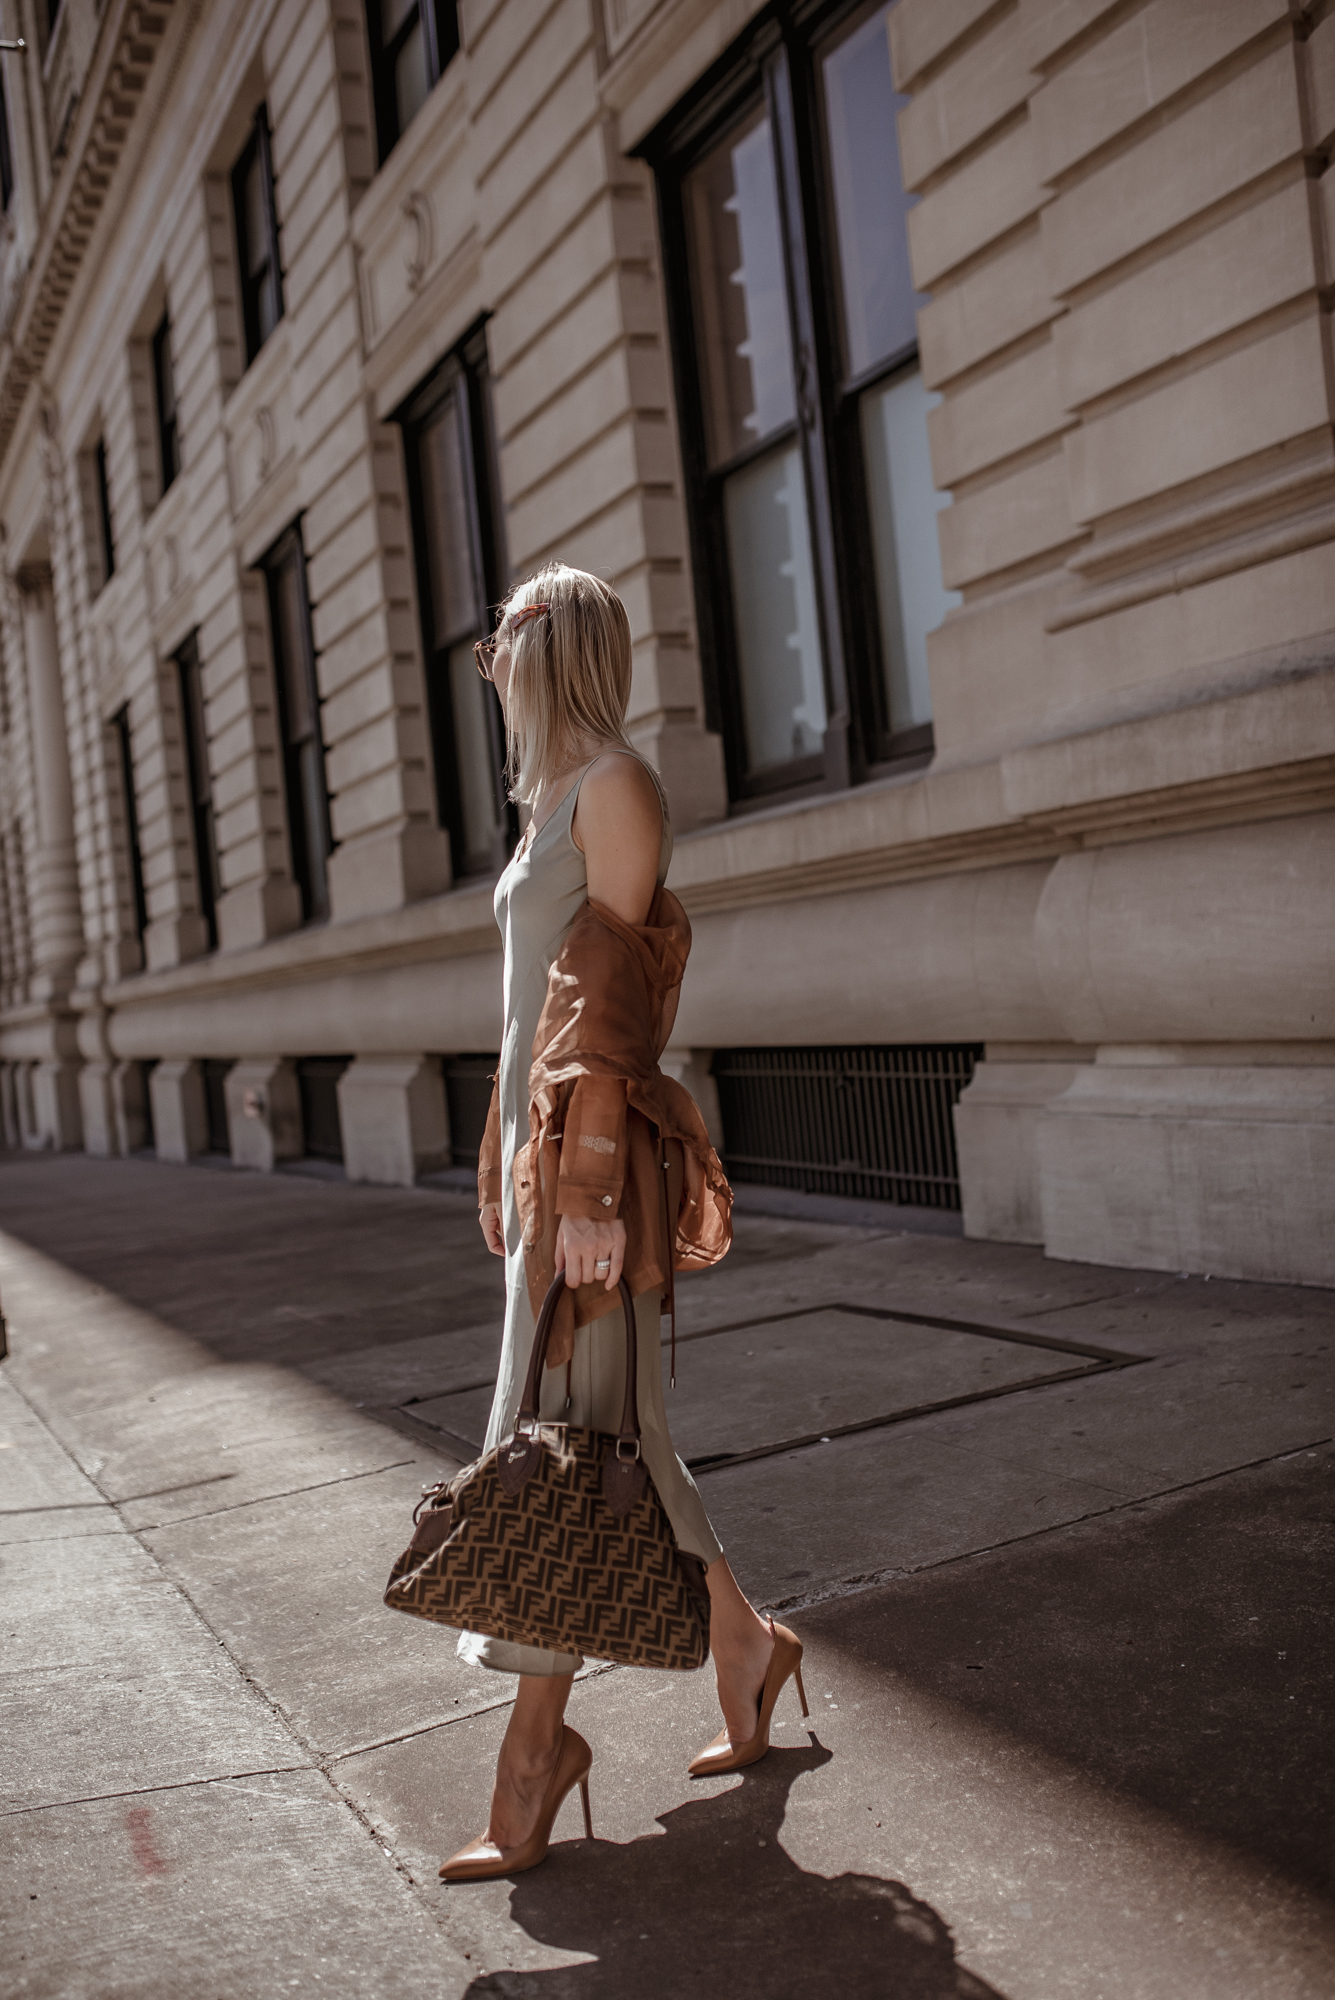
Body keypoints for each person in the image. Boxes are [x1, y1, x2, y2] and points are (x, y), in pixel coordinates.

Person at [439, 564, 805, 1883]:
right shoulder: (547, 808)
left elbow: (611, 1000)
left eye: (504, 644)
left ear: (552, 651)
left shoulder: (619, 791)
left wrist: (585, 1185)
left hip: (598, 1181)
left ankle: (532, 1766)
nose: (489, 667)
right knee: (622, 1433)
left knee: (566, 1441)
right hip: (548, 1171)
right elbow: (522, 1012)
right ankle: (750, 1652)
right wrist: (498, 1155)